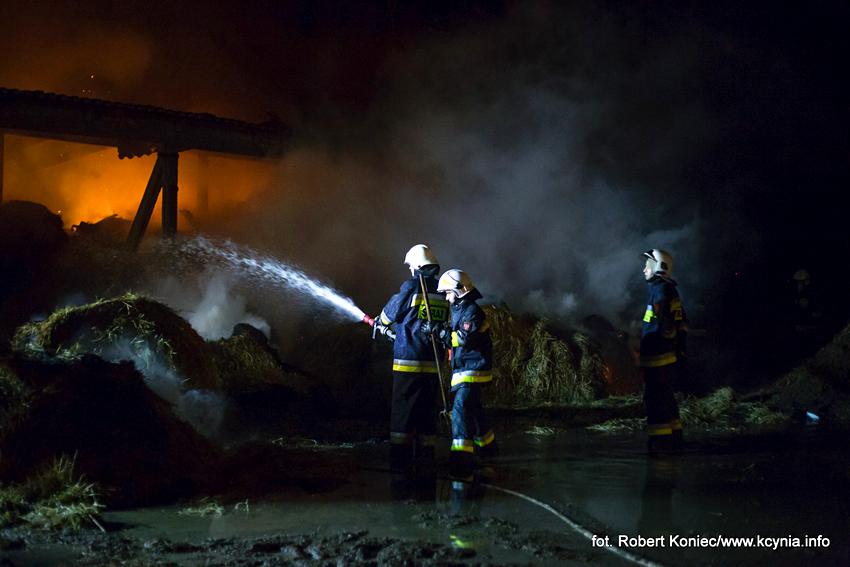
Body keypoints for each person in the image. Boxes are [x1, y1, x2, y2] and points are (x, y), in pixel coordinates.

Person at [375, 244, 449, 471]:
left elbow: (389, 315)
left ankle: (400, 459)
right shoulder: (442, 291)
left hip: (408, 361)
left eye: (410, 267)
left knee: (403, 410)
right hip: (433, 364)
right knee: (427, 411)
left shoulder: (411, 286)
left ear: (417, 266)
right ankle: (426, 455)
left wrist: (382, 323)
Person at [434, 269, 497, 474]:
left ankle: (462, 457)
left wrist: (442, 334)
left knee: (460, 409)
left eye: (448, 292)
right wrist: (440, 330)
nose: (446, 297)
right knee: (474, 410)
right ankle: (488, 447)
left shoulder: (472, 311)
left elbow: (463, 339)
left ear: (459, 290)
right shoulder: (461, 309)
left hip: (473, 369)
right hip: (466, 368)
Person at [639, 249, 688, 453]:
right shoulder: (670, 289)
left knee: (655, 398)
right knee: (666, 395)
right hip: (666, 353)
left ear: (659, 266)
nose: (644, 270)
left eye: (648, 265)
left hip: (657, 354)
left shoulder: (660, 288)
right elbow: (683, 323)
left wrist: (660, 333)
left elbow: (661, 312)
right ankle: (674, 438)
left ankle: (660, 444)